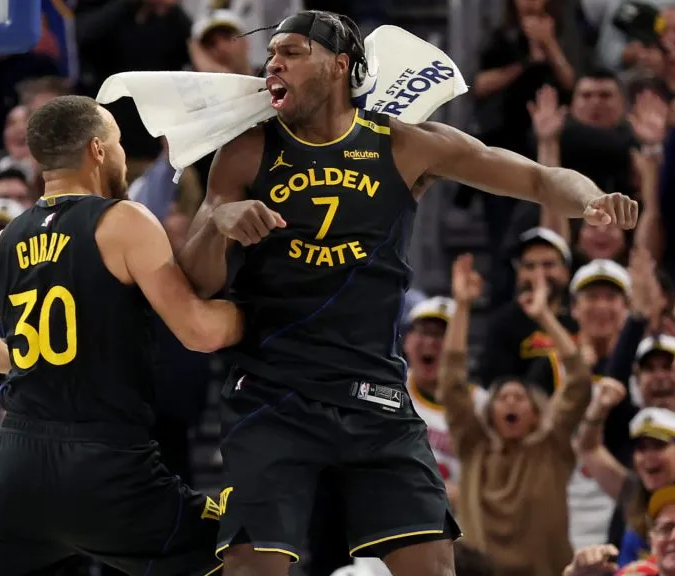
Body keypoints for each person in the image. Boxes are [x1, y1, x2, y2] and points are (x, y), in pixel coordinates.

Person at [177, 10, 639, 576]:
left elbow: (537, 177)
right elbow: (197, 279)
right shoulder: (247, 150)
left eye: (292, 52)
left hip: (375, 395)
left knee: (433, 568)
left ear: (340, 66)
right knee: (255, 568)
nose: (273, 62)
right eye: (272, 54)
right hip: (276, 393)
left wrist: (592, 198)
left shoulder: (403, 145)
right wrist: (219, 219)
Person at [0, 95, 244, 576]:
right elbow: (200, 332)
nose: (120, 154)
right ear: (98, 150)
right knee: (242, 548)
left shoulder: (5, 240)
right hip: (106, 466)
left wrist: (24, 362)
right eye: (117, 142)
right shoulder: (123, 221)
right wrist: (265, 316)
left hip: (19, 469)